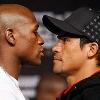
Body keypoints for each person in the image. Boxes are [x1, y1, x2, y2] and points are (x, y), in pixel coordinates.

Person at [42, 7, 100, 100]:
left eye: (65, 40)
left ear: (91, 49)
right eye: (58, 40)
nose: (55, 48)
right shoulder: (74, 94)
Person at [0, 4, 44, 100]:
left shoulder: (7, 86)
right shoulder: (3, 90)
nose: (41, 40)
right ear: (11, 36)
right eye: (35, 32)